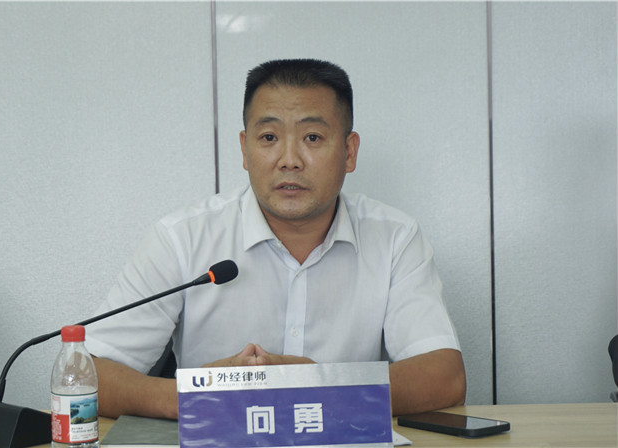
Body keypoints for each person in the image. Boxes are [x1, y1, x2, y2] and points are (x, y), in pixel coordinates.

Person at [86, 58, 466, 420]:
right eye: (269, 137)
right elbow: (89, 374)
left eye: (312, 137)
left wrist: (319, 384)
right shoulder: (183, 239)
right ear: (245, 149)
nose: (289, 159)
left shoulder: (394, 238)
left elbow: (444, 377)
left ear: (349, 152)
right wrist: (202, 393)